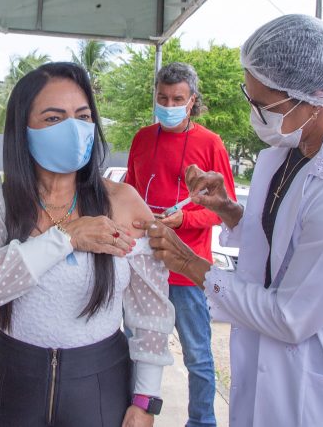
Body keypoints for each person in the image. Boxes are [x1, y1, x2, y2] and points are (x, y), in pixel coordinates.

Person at [136, 14, 323, 426]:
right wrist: (228, 210)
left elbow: (291, 317)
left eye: (262, 104)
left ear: (314, 97)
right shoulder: (294, 148)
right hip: (275, 370)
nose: (254, 113)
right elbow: (282, 238)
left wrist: (190, 264)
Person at [0, 62, 174, 427]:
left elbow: (150, 310)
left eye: (82, 116)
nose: (73, 129)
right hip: (8, 382)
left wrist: (146, 398)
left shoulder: (124, 202)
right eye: (54, 118)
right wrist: (66, 236)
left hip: (99, 384)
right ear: (23, 129)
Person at [124, 62, 234, 427]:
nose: (168, 104)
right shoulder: (142, 138)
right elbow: (131, 194)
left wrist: (184, 219)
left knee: (198, 356)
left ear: (192, 102)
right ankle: (129, 411)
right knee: (133, 348)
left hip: (188, 271)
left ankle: (202, 422)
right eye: (162, 97)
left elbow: (224, 212)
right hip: (142, 266)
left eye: (177, 99)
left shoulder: (210, 143)